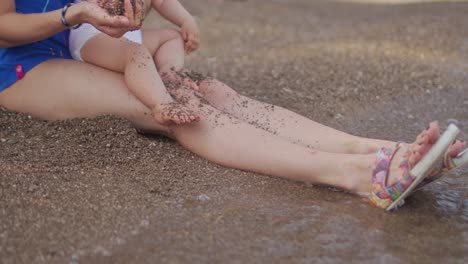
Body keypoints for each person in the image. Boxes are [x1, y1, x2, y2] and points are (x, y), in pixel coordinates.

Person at [0, 0, 466, 210]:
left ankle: (384, 151)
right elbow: (4, 26)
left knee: (216, 92)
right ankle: (362, 177)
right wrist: (73, 13)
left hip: (87, 43)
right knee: (177, 111)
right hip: (25, 62)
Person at [70, 0, 201, 124]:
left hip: (129, 35)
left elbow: (162, 2)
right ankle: (162, 104)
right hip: (92, 36)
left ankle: (168, 73)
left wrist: (186, 20)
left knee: (172, 37)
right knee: (136, 53)